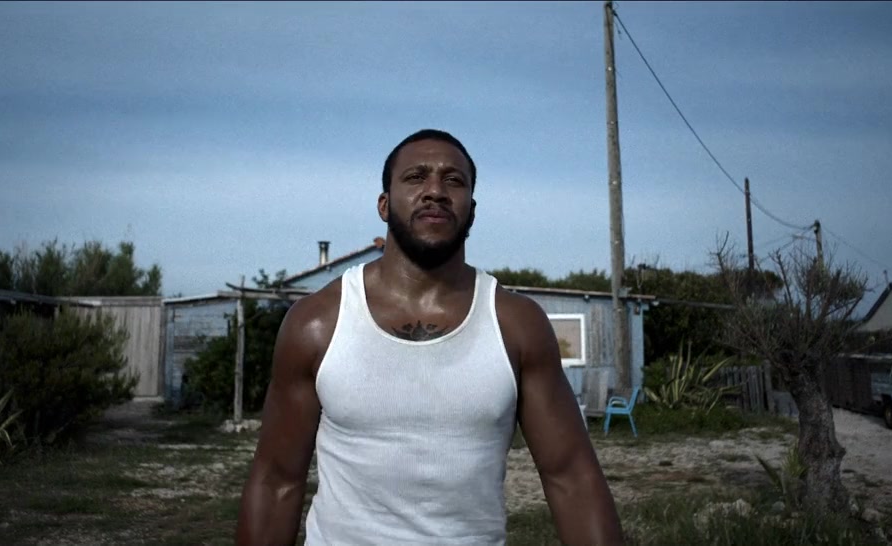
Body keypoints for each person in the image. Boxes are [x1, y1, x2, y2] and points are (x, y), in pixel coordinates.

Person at [235, 129, 625, 545]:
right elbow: (276, 480)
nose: (436, 191)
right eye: (416, 177)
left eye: (453, 180)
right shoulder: (317, 323)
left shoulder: (517, 325)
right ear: (384, 204)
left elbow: (572, 478)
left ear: (472, 210)